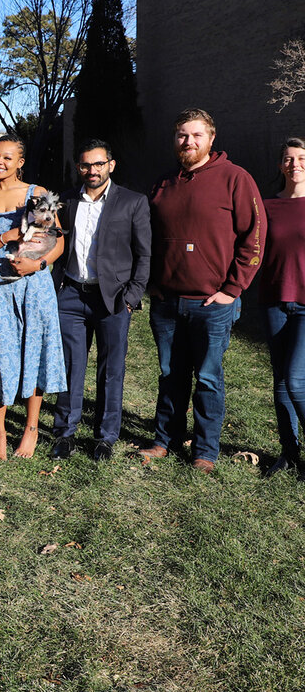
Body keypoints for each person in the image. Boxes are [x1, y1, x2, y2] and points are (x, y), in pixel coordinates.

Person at [141, 108, 266, 473]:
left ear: (211, 139)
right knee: (169, 375)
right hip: (166, 302)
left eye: (196, 135)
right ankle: (165, 439)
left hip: (212, 303)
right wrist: (152, 281)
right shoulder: (163, 184)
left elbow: (254, 237)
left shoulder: (235, 179)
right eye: (182, 135)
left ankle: (205, 451)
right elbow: (146, 238)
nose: (188, 142)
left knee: (208, 379)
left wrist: (232, 288)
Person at [51, 138, 151, 461]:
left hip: (112, 299)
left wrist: (132, 296)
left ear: (111, 164)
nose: (91, 170)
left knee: (111, 370)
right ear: (78, 167)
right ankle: (65, 432)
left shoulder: (132, 202)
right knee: (70, 367)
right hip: (71, 296)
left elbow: (144, 255)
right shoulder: (66, 201)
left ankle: (105, 437)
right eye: (85, 165)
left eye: (98, 164)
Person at [0, 133, 66, 460]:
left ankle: (30, 428)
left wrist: (36, 263)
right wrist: (6, 236)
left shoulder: (38, 194)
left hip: (34, 286)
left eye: (7, 157)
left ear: (20, 162)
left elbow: (56, 244)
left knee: (33, 355)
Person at [259, 138, 305, 477]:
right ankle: (289, 455)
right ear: (280, 166)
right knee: (280, 382)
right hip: (274, 300)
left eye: (301, 158)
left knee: (296, 380)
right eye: (288, 159)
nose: (295, 165)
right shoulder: (266, 206)